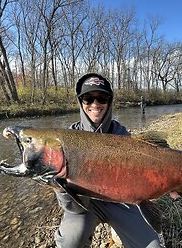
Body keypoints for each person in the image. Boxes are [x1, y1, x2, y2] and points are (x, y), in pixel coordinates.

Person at [54, 73, 163, 248]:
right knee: (69, 242)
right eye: (88, 99)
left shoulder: (123, 137)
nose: (95, 104)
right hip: (84, 204)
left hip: (121, 201)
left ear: (110, 102)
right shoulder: (66, 141)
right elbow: (73, 209)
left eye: (102, 98)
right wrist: (60, 187)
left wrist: (168, 186)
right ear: (81, 103)